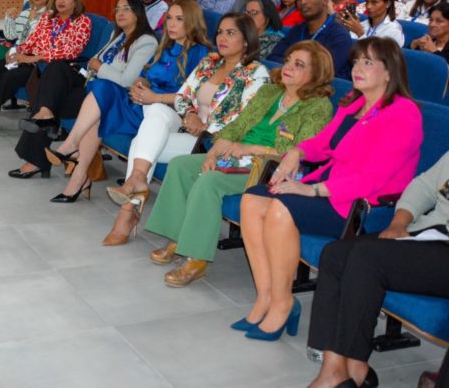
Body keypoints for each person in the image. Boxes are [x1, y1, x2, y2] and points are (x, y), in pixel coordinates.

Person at [237, 38, 422, 342]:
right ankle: (267, 297)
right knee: (252, 199)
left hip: (360, 204)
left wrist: (314, 190)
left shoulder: (404, 114)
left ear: (389, 72)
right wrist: (296, 151)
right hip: (330, 186)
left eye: (368, 63)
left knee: (280, 209)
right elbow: (323, 144)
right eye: (357, 62)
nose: (357, 69)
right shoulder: (354, 103)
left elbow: (373, 178)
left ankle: (283, 304)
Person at [143, 42, 334, 287]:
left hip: (269, 169)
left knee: (209, 181)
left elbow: (300, 150)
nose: (288, 67)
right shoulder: (270, 92)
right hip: (235, 156)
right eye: (288, 60)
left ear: (317, 73)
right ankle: (178, 237)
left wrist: (252, 149)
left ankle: (197, 258)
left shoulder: (318, 107)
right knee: (181, 165)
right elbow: (237, 126)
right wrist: (213, 152)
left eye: (299, 65)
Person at [101, 13, 269, 245]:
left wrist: (204, 126)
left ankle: (128, 211)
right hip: (188, 128)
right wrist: (190, 114)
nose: (222, 37)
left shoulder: (256, 73)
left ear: (247, 40)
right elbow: (183, 95)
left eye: (231, 33)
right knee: (157, 113)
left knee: (141, 145)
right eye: (220, 31)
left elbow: (243, 119)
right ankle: (137, 182)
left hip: (213, 142)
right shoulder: (210, 61)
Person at [305, 150, 449, 388]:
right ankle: (336, 368)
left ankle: (352, 367)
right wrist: (399, 223)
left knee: (368, 258)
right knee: (335, 255)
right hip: (428, 234)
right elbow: (424, 186)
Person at [42, 0, 211, 200]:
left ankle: (74, 162)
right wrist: (140, 85)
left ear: (192, 21)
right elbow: (143, 74)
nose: (171, 24)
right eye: (169, 19)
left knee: (100, 109)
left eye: (179, 19)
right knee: (101, 90)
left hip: (166, 112)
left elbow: (191, 97)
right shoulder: (166, 46)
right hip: (141, 103)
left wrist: (152, 97)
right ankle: (75, 163)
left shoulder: (201, 53)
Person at [9, 0, 157, 180]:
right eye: (117, 9)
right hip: (90, 82)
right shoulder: (117, 35)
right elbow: (92, 61)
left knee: (52, 98)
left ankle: (37, 156)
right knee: (55, 71)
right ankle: (45, 115)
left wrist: (99, 67)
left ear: (138, 13)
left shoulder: (146, 42)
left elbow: (126, 80)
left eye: (126, 9)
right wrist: (93, 66)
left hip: (109, 95)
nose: (120, 13)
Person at [0, 0, 91, 136]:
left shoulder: (82, 21)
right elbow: (32, 40)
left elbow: (71, 50)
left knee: (8, 77)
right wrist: (15, 51)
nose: (61, 1)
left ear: (75, 1)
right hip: (29, 59)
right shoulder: (49, 17)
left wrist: (33, 58)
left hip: (47, 67)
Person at [268, 0, 353, 78]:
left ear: (324, 1)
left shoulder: (339, 36)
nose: (302, 2)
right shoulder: (297, 29)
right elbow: (273, 58)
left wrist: (291, 64)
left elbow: (324, 73)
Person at [338, 0, 405, 47]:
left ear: (387, 3)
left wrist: (360, 34)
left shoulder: (394, 30)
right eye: (367, 2)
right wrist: (345, 30)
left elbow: (380, 56)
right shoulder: (363, 24)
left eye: (374, 2)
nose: (368, 6)